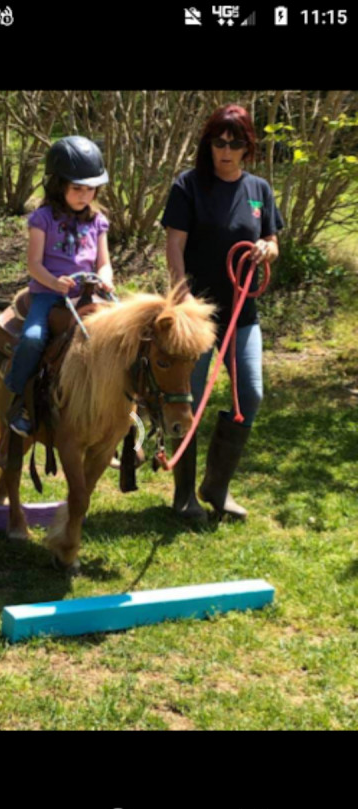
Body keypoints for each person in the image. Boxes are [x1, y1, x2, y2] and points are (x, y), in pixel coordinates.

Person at [161, 103, 284, 521]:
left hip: (242, 315)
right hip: (196, 316)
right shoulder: (188, 186)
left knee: (250, 394)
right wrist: (182, 297)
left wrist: (268, 248)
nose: (225, 150)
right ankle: (184, 496)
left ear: (248, 146)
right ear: (208, 144)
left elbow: (271, 237)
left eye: (234, 143)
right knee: (185, 400)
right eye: (218, 142)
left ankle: (216, 487)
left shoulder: (259, 190)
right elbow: (174, 245)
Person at [5, 135, 114, 436]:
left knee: (122, 337)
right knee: (32, 338)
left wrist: (106, 279)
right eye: (76, 188)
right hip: (48, 295)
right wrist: (54, 282)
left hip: (87, 295)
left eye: (90, 188)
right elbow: (33, 265)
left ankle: (122, 408)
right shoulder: (42, 219)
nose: (84, 195)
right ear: (58, 185)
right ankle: (19, 399)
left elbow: (103, 262)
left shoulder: (98, 221)